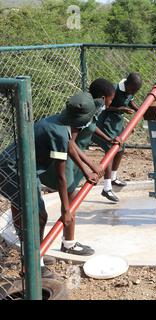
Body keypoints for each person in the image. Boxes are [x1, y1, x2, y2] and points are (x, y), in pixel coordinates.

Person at [0, 91, 99, 277]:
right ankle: (33, 265)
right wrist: (66, 210)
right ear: (83, 120)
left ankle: (33, 256)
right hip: (11, 170)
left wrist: (89, 169)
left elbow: (69, 145)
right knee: (38, 216)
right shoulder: (59, 132)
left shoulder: (59, 122)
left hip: (21, 167)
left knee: (29, 213)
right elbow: (61, 177)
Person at [39, 78, 120, 256]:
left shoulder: (92, 107)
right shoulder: (81, 111)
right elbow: (70, 144)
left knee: (71, 199)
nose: (111, 103)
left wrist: (108, 138)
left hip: (74, 159)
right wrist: (89, 166)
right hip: (66, 160)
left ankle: (67, 242)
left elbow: (91, 126)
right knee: (69, 200)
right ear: (102, 97)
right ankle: (66, 244)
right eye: (111, 99)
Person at [92, 73, 142, 202]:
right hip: (106, 123)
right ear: (128, 84)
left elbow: (130, 100)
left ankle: (113, 178)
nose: (135, 92)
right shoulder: (114, 90)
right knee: (111, 151)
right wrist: (121, 109)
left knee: (121, 149)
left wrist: (140, 110)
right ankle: (106, 188)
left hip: (117, 123)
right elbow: (105, 108)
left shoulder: (130, 89)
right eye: (134, 89)